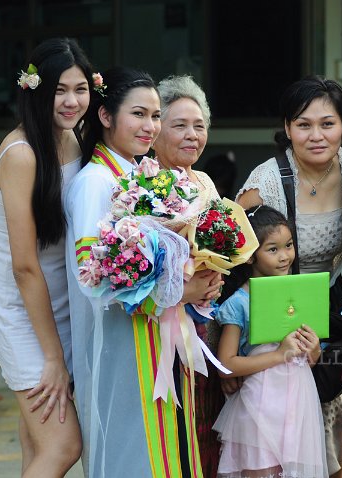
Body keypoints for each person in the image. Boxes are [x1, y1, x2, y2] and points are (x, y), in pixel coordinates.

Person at [64, 66, 221, 477]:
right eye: (139, 114)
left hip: (157, 339)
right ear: (105, 115)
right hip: (121, 348)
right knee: (131, 459)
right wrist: (179, 292)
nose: (150, 126)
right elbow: (93, 279)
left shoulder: (140, 176)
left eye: (155, 115)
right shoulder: (95, 182)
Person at [237, 76, 342, 478]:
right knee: (275, 447)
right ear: (287, 128)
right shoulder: (268, 180)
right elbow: (234, 255)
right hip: (273, 317)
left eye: (328, 123)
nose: (316, 135)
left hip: (326, 311)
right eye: (303, 124)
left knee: (326, 442)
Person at [0, 38, 88, 477]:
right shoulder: (22, 155)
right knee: (63, 446)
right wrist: (52, 358)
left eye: (80, 89)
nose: (70, 101)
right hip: (22, 303)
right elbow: (24, 267)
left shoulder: (74, 140)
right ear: (35, 90)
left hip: (62, 296)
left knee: (38, 441)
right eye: (59, 89)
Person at [213, 205, 327, 478]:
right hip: (258, 405)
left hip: (298, 402)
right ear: (251, 255)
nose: (285, 256)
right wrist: (280, 354)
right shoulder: (240, 302)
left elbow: (311, 359)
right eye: (272, 249)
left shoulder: (300, 294)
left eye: (288, 245)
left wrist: (313, 351)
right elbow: (225, 364)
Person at [152, 74, 224, 478]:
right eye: (179, 125)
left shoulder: (204, 181)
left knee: (204, 431)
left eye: (199, 126)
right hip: (163, 324)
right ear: (156, 128)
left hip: (205, 322)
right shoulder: (143, 183)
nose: (192, 135)